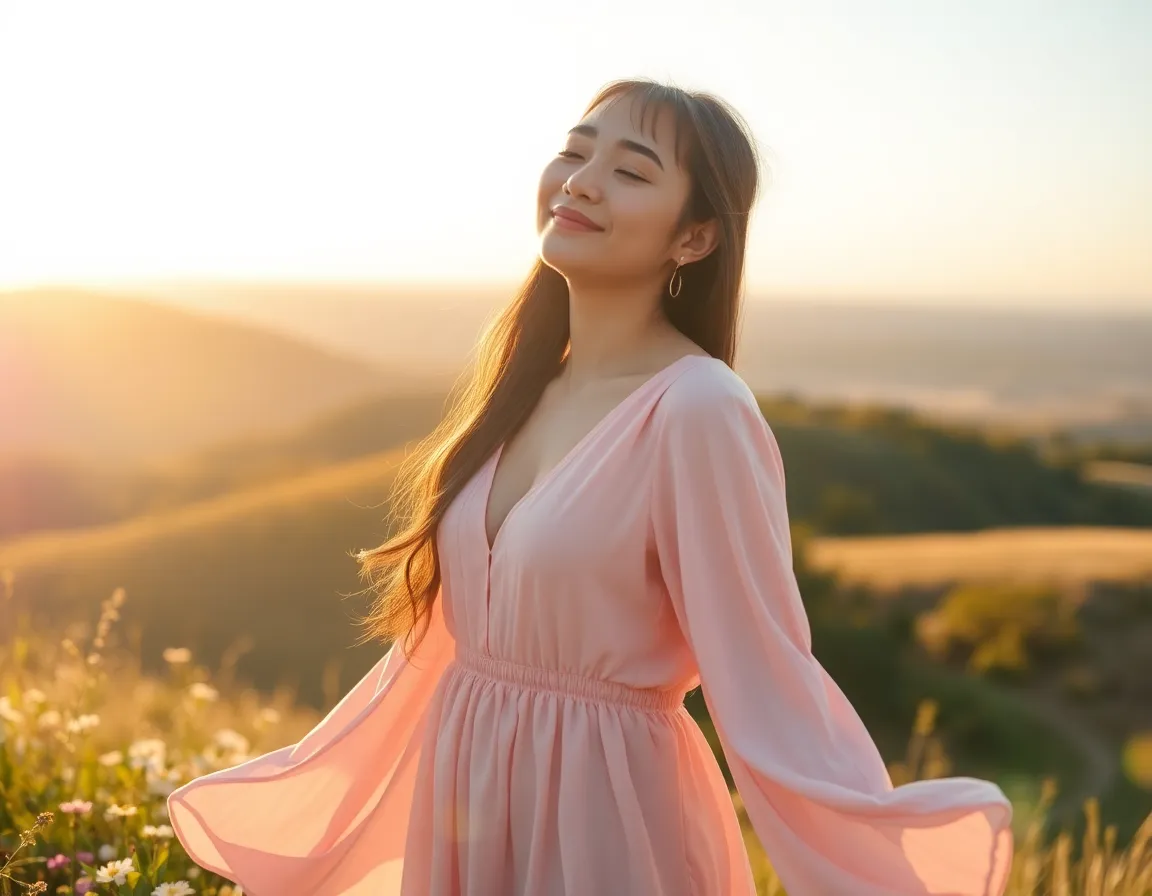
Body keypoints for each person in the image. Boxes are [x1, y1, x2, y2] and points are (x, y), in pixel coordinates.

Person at [167, 78, 1014, 895]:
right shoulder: (523, 390)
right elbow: (435, 656)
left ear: (695, 239)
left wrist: (879, 846)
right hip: (467, 798)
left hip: (606, 814)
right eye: (576, 152)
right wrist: (311, 796)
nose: (581, 182)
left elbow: (764, 668)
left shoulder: (698, 410)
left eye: (630, 170)